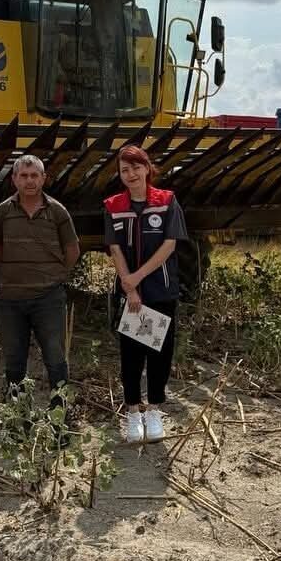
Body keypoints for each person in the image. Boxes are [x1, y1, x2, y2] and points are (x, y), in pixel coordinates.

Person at [102, 145, 189, 443]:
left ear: (147, 168)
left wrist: (137, 279)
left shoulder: (166, 202)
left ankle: (153, 410)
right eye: (124, 170)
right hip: (131, 293)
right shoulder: (113, 205)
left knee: (159, 353)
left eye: (136, 167)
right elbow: (115, 248)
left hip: (160, 290)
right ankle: (133, 412)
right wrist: (129, 286)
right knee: (131, 354)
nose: (131, 174)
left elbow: (170, 245)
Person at [0, 155, 80, 402]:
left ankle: (59, 418)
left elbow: (72, 250)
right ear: (14, 179)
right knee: (14, 360)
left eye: (34, 175)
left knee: (55, 357)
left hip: (48, 298)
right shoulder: (3, 212)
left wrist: (57, 276)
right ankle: (19, 419)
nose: (29, 181)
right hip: (10, 300)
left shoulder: (57, 211)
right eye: (24, 176)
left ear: (43, 178)